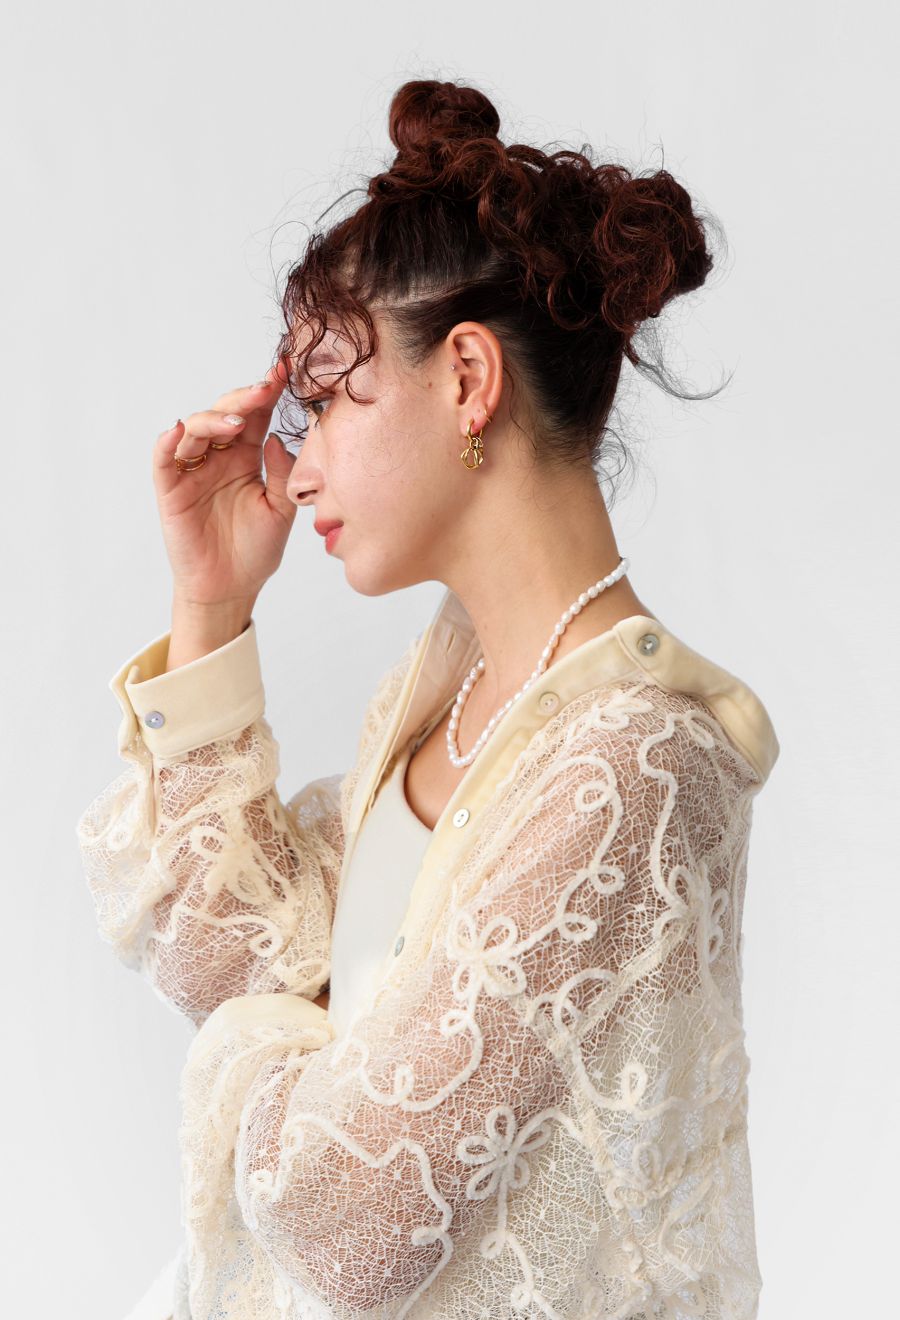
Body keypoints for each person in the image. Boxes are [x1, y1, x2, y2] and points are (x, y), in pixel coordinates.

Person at [77, 78, 780, 1320]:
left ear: (466, 376)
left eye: (326, 396)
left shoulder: (637, 763)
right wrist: (210, 605)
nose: (295, 466)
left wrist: (286, 1031)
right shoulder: (446, 694)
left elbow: (347, 1216)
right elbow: (222, 951)